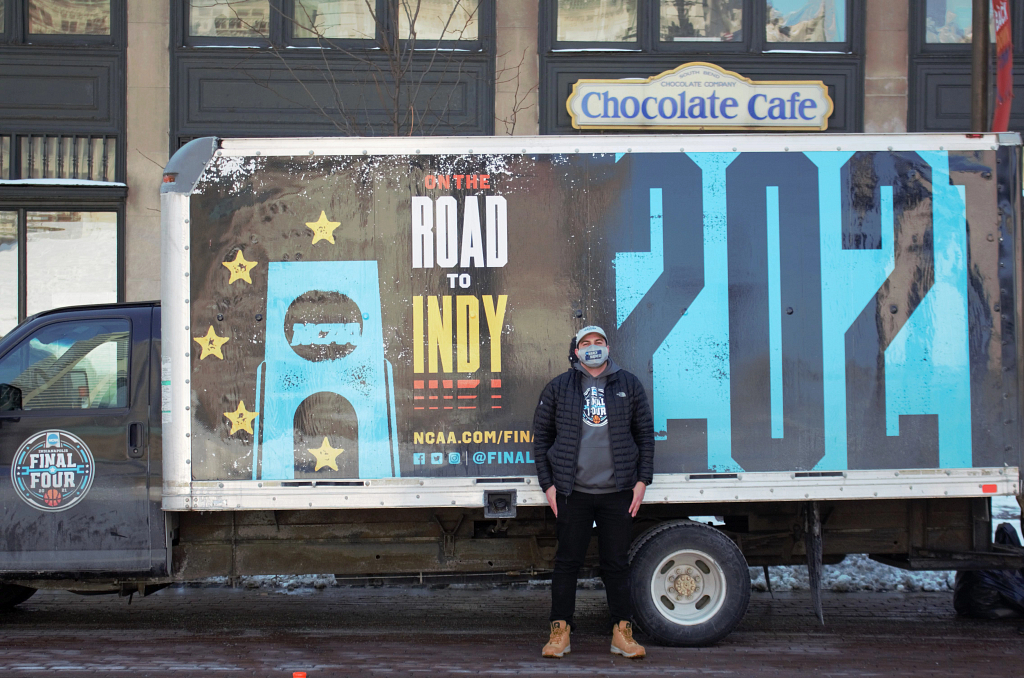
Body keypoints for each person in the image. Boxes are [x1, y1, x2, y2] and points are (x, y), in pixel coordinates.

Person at [532, 325, 654, 659]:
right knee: (567, 563)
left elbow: (644, 434)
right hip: (574, 493)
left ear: (608, 347)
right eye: (585, 343)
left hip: (618, 492)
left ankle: (622, 634)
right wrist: (549, 486)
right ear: (576, 352)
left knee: (616, 564)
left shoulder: (627, 384)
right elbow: (541, 438)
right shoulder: (559, 387)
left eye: (598, 342)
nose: (592, 347)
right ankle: (560, 633)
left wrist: (642, 482)